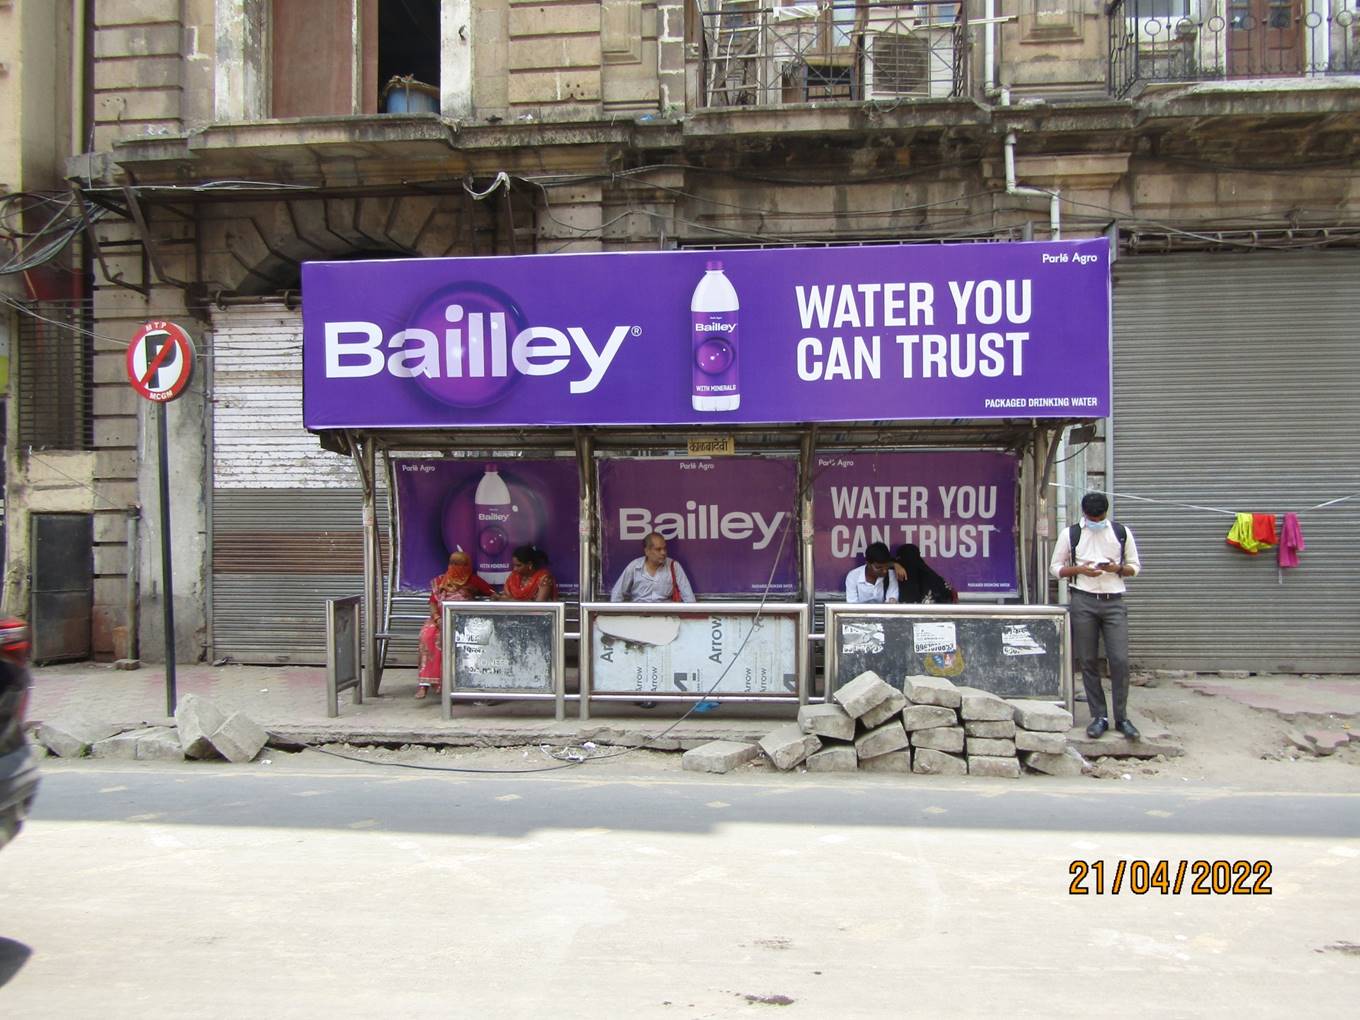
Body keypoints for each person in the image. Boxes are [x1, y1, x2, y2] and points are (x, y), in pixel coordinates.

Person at [1050, 492, 1143, 740]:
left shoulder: (1121, 532)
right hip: (1083, 600)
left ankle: (1122, 717)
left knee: (1119, 660)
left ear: (1105, 514)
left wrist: (1117, 569)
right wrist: (1080, 570)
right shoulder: (1071, 534)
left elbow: (1135, 567)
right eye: (1092, 519)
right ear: (1084, 514)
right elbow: (1055, 568)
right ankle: (1099, 716)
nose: (1096, 522)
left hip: (1114, 601)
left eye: (1099, 518)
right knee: (1088, 660)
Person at [416, 550, 496, 699]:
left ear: (467, 565)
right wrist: (437, 619)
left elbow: (492, 594)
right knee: (428, 636)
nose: (455, 567)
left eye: (459, 564)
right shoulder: (440, 581)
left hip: (462, 622)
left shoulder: (473, 580)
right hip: (440, 619)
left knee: (452, 641)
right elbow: (432, 603)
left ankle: (447, 684)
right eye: (452, 563)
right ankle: (424, 684)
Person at [609, 531, 696, 603]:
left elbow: (689, 598)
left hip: (666, 616)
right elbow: (617, 594)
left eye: (664, 548)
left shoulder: (673, 566)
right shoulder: (635, 566)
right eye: (658, 549)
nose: (663, 553)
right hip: (639, 615)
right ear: (647, 551)